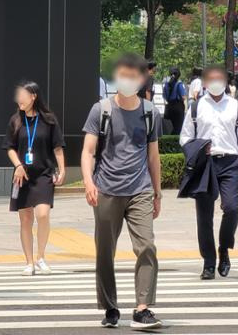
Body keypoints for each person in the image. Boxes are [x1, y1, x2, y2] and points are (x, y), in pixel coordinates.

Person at [80, 53, 163, 329]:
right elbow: (88, 151)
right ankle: (110, 306)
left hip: (140, 188)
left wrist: (157, 192)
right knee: (105, 251)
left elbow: (153, 155)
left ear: (142, 79)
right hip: (106, 188)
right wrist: (89, 182)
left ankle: (143, 308)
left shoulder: (150, 112)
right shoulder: (101, 110)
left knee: (147, 245)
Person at [179, 66, 238, 280]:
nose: (215, 82)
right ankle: (209, 262)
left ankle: (224, 248)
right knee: (204, 217)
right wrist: (199, 147)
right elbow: (185, 138)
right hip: (205, 164)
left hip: (230, 163)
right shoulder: (195, 107)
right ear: (204, 82)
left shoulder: (236, 107)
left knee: (231, 208)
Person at [2, 81, 66, 276]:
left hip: (44, 174)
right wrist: (18, 166)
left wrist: (62, 170)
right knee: (26, 219)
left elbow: (57, 147)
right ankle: (29, 262)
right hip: (23, 176)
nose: (19, 99)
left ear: (33, 96)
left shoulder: (48, 120)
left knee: (43, 214)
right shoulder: (15, 120)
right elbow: (10, 147)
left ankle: (41, 257)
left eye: (23, 95)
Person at [163, 67, 187, 135]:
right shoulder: (179, 84)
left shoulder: (166, 84)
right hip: (178, 106)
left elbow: (165, 96)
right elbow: (183, 97)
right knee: (178, 128)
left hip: (169, 106)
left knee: (171, 127)